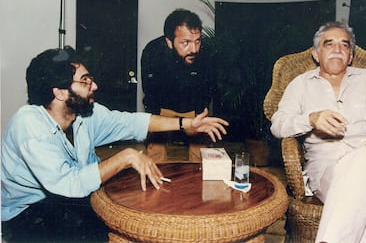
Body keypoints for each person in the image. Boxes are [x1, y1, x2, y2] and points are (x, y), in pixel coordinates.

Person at [1, 46, 228, 242]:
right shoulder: (29, 126)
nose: (95, 86)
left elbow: (129, 122)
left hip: (69, 198)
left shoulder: (83, 114)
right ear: (59, 92)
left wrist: (186, 124)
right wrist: (125, 157)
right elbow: (69, 183)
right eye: (85, 81)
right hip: (28, 211)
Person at [270, 21, 366, 242]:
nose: (337, 49)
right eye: (329, 44)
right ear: (316, 54)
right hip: (327, 172)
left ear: (351, 56)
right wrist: (311, 119)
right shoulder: (300, 85)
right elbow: (278, 124)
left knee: (364, 157)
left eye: (344, 45)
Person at [141, 8, 216, 162]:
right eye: (185, 43)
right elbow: (149, 91)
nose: (194, 49)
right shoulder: (152, 52)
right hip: (161, 108)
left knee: (200, 155)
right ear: (169, 42)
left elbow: (208, 87)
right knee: (155, 151)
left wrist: (199, 115)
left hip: (193, 108)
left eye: (197, 41)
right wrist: (155, 120)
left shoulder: (207, 52)